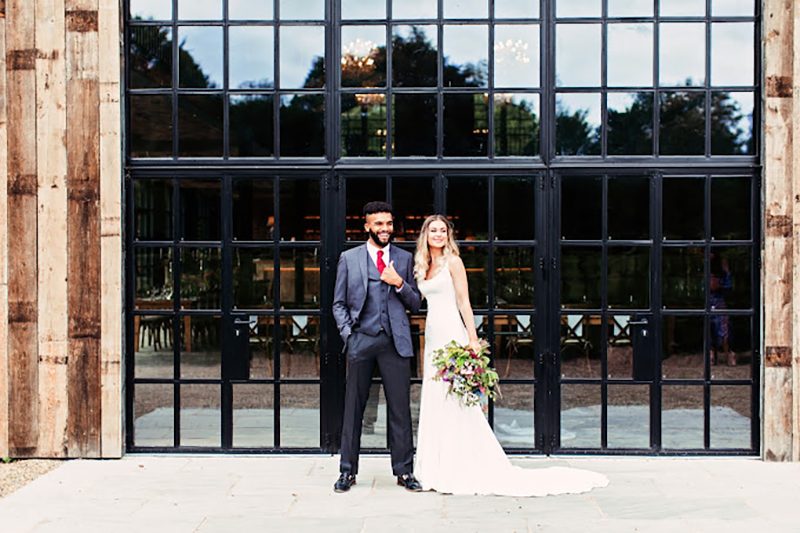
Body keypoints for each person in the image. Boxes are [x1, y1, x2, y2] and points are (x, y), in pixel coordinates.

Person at [413, 214, 608, 496]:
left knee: (455, 398)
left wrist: (471, 340)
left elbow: (464, 302)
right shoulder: (423, 265)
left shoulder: (453, 262)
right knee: (434, 395)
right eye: (434, 230)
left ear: (448, 235)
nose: (439, 235)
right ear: (425, 234)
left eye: (443, 230)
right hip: (432, 335)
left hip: (452, 333)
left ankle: (460, 464)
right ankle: (434, 465)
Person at [332, 201, 423, 493]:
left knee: (400, 409)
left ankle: (404, 471)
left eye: (388, 223)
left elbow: (416, 302)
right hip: (362, 340)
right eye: (378, 224)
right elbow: (339, 303)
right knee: (354, 408)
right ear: (367, 226)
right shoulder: (349, 258)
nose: (385, 229)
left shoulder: (404, 259)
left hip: (395, 343)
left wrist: (399, 283)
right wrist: (350, 335)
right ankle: (347, 471)